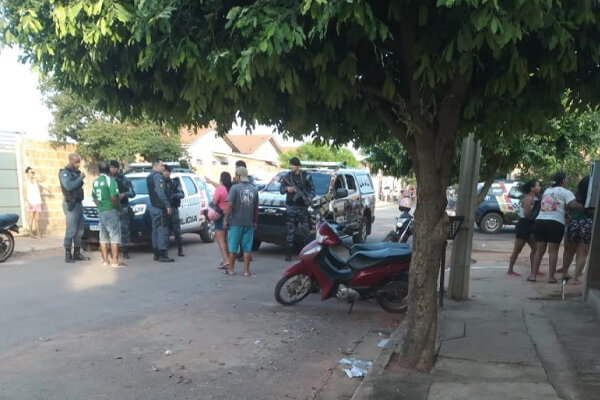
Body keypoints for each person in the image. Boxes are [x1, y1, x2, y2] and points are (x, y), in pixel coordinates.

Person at [528, 171, 582, 283]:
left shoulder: (547, 190)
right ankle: (551, 277)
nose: (566, 181)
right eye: (566, 179)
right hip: (556, 223)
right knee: (553, 251)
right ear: (563, 180)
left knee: (539, 250)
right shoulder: (566, 192)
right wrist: (584, 207)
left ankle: (533, 275)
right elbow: (572, 204)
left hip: (540, 221)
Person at [223, 166, 259, 276]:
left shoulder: (234, 188)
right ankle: (246, 271)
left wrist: (226, 219)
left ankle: (231, 270)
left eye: (235, 175)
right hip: (248, 223)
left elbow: (229, 205)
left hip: (236, 223)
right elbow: (256, 207)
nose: (234, 177)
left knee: (233, 247)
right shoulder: (254, 189)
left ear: (238, 176)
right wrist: (255, 221)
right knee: (247, 248)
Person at [280, 157, 316, 261]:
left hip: (302, 207)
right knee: (290, 232)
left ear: (298, 166)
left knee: (306, 232)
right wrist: (287, 189)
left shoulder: (306, 176)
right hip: (291, 206)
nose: (291, 167)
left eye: (293, 165)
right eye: (290, 165)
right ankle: (288, 255)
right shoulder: (287, 177)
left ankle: (307, 254)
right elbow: (281, 190)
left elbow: (313, 191)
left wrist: (308, 198)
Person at [559, 176, 593, 284]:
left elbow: (568, 208)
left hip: (573, 223)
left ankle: (564, 274)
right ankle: (575, 278)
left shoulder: (575, 195)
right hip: (587, 224)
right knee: (583, 253)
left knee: (569, 251)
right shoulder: (593, 197)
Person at [93, 161, 124, 267]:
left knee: (103, 237)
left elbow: (94, 198)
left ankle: (105, 261)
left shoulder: (96, 182)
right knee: (114, 236)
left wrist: (100, 206)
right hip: (111, 210)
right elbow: (114, 197)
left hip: (101, 211)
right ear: (108, 170)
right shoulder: (110, 181)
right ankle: (115, 261)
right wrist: (118, 209)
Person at [507, 179, 541, 277]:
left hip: (529, 224)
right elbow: (527, 214)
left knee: (535, 248)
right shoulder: (529, 198)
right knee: (518, 249)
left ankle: (534, 270)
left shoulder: (534, 199)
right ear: (532, 188)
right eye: (537, 186)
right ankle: (510, 270)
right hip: (524, 224)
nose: (539, 188)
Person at [59, 153, 89, 263]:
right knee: (71, 230)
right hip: (70, 204)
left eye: (79, 161)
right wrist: (80, 178)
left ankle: (77, 253)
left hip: (79, 203)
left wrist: (79, 177)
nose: (78, 163)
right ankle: (68, 254)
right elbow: (69, 186)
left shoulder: (76, 173)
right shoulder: (64, 173)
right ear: (70, 161)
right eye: (76, 161)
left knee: (80, 230)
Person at [147, 159, 174, 263]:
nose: (163, 168)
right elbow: (160, 193)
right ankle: (163, 254)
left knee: (155, 230)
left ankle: (156, 253)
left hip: (153, 206)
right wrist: (167, 205)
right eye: (162, 165)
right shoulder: (158, 177)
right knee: (162, 230)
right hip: (160, 208)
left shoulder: (149, 177)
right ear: (156, 165)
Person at [110, 161, 135, 259]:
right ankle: (114, 251)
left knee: (124, 230)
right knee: (112, 230)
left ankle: (125, 250)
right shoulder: (108, 179)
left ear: (118, 168)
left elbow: (132, 193)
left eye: (114, 167)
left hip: (123, 207)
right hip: (111, 207)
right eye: (110, 167)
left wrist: (124, 194)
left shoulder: (124, 180)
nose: (112, 169)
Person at [163, 164, 185, 257]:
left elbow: (182, 194)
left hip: (174, 208)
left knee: (177, 230)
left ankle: (180, 250)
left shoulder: (174, 183)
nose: (166, 173)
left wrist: (174, 196)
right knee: (165, 231)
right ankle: (164, 251)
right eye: (164, 171)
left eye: (168, 171)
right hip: (163, 209)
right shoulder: (160, 183)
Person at [212, 171, 232, 269]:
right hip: (230, 214)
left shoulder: (220, 189)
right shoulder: (231, 189)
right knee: (226, 239)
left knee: (220, 239)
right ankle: (227, 259)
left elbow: (215, 202)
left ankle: (226, 259)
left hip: (220, 214)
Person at [24, 166, 44, 238]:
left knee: (37, 219)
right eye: (31, 172)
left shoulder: (35, 180)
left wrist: (37, 171)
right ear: (27, 173)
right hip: (31, 203)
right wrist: (28, 203)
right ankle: (30, 233)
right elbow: (24, 194)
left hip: (37, 201)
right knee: (31, 218)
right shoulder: (26, 182)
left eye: (33, 172)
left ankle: (38, 233)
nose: (32, 174)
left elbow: (44, 178)